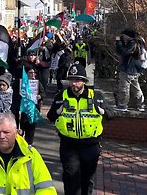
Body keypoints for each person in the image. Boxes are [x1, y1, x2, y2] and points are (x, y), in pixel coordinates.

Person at [47, 63, 108, 195]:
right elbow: (50, 117)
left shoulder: (96, 96)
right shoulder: (61, 97)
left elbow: (111, 114)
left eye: (77, 80)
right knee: (70, 177)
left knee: (87, 178)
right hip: (69, 145)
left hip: (91, 145)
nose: (73, 84)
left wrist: (102, 111)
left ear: (84, 81)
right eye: (71, 80)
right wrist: (58, 111)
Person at [0, 112, 56, 194]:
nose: (1, 136)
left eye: (6, 132)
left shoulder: (31, 155)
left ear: (16, 133)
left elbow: (46, 189)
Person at [114, 29, 145, 112]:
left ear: (127, 36)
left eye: (123, 36)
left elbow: (123, 52)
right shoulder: (138, 43)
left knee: (124, 87)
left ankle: (122, 105)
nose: (122, 38)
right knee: (135, 88)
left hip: (128, 70)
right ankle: (140, 104)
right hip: (134, 70)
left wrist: (119, 42)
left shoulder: (132, 44)